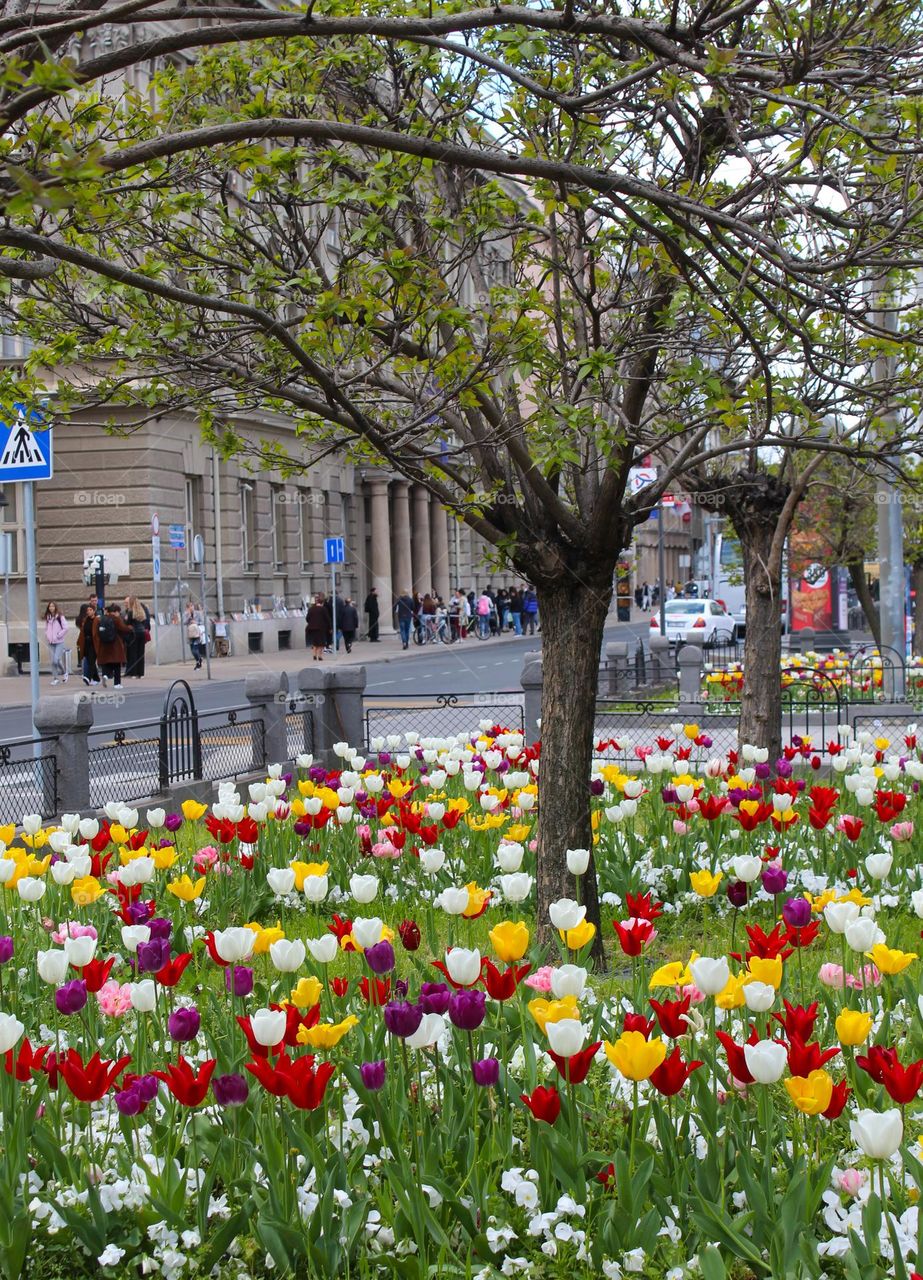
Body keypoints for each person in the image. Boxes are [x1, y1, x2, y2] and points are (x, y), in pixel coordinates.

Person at [92, 603, 132, 689]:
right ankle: (117, 684)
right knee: (117, 664)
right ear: (115, 612)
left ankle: (105, 675)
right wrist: (130, 628)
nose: (119, 614)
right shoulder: (116, 619)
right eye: (118, 612)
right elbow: (123, 628)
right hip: (115, 644)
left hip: (104, 644)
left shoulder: (101, 619)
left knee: (107, 662)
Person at [124, 594, 150, 678]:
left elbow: (128, 623)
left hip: (134, 634)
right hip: (142, 633)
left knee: (133, 654)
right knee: (140, 653)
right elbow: (144, 622)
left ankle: (134, 673)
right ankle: (141, 673)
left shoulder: (131, 612)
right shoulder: (141, 611)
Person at [43, 602, 69, 685]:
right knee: (53, 661)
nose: (51, 608)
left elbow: (66, 628)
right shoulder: (48, 617)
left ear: (55, 607)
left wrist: (59, 635)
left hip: (59, 642)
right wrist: (47, 635)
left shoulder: (60, 617)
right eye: (50, 606)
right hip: (50, 642)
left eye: (53, 606)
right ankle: (55, 678)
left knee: (56, 660)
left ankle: (64, 672)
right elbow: (46, 628)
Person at [76, 604, 99, 686]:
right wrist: (79, 642)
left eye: (90, 610)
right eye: (87, 610)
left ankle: (88, 677)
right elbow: (82, 632)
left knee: (92, 660)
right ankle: (96, 678)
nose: (88, 612)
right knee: (89, 660)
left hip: (94, 643)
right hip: (86, 642)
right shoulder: (86, 620)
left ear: (94, 611)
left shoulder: (97, 620)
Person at [305, 593, 329, 661]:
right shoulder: (323, 609)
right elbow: (327, 619)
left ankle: (314, 655)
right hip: (321, 628)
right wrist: (330, 627)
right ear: (322, 603)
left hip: (312, 628)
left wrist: (311, 622)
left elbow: (307, 618)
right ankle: (320, 656)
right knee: (321, 643)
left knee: (315, 642)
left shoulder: (311, 609)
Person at [184, 602, 206, 669]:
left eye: (191, 606)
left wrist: (196, 623)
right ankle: (198, 659)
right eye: (189, 607)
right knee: (192, 650)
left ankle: (198, 662)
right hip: (190, 634)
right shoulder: (186, 614)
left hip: (197, 634)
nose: (191, 608)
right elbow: (184, 622)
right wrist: (188, 617)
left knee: (195, 649)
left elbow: (202, 622)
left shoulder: (198, 613)